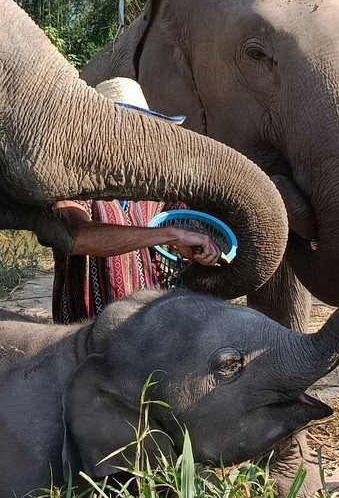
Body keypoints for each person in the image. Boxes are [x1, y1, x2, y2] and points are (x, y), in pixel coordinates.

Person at [51, 77, 222, 324]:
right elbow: (76, 237)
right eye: (122, 129)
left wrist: (193, 247)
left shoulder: (156, 185)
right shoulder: (69, 182)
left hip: (145, 331)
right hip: (84, 335)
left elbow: (183, 225)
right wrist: (170, 235)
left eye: (141, 131)